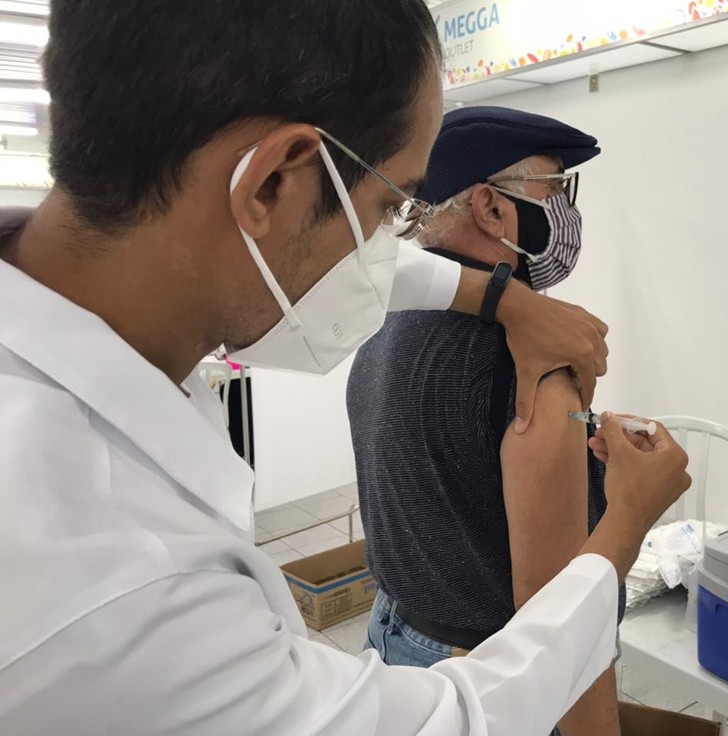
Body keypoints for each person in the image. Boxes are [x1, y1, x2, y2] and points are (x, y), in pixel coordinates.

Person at [0, 3, 692, 735]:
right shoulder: (122, 587)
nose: (385, 254)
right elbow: (458, 718)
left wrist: (502, 299)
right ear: (273, 184)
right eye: (390, 208)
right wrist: (624, 524)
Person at [348, 106, 620, 736]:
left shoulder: (386, 324)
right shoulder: (534, 371)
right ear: (492, 208)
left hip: (392, 642)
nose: (565, 212)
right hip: (486, 677)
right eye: (555, 190)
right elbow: (560, 619)